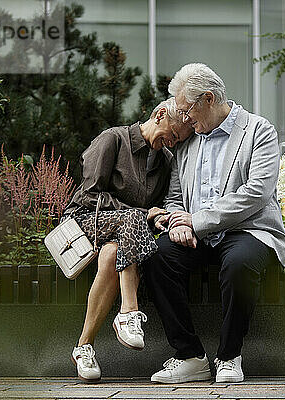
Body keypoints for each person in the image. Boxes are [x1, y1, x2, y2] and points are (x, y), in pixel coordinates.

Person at [143, 63, 285, 384]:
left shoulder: (258, 131)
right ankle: (189, 357)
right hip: (197, 235)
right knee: (158, 257)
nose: (182, 119)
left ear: (208, 99)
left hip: (248, 231)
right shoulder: (189, 140)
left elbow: (257, 192)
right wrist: (176, 222)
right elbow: (174, 195)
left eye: (186, 110)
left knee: (239, 263)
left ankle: (229, 356)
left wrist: (196, 221)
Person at [63, 98, 193, 383]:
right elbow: (88, 195)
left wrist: (160, 217)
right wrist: (144, 213)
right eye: (172, 135)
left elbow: (156, 207)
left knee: (112, 256)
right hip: (88, 221)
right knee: (133, 218)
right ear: (160, 115)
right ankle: (128, 313)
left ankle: (83, 347)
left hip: (125, 236)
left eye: (177, 140)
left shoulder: (166, 160)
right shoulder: (114, 139)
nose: (172, 143)